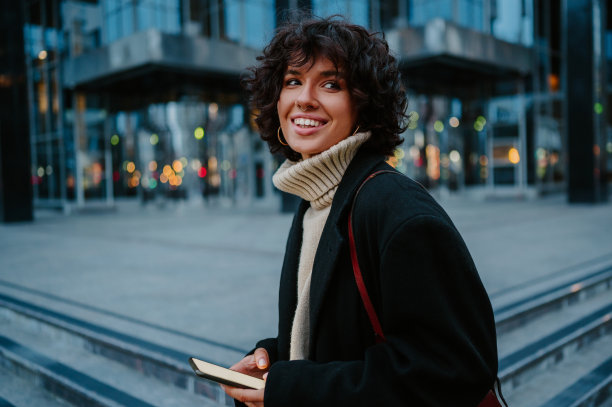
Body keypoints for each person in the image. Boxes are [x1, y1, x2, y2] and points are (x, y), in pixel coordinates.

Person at [223, 15, 499, 407]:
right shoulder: (317, 200)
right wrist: (274, 360)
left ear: (363, 104)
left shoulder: (396, 210)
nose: (304, 98)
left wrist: (293, 388)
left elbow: (454, 368)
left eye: (331, 84)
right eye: (292, 81)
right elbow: (342, 335)